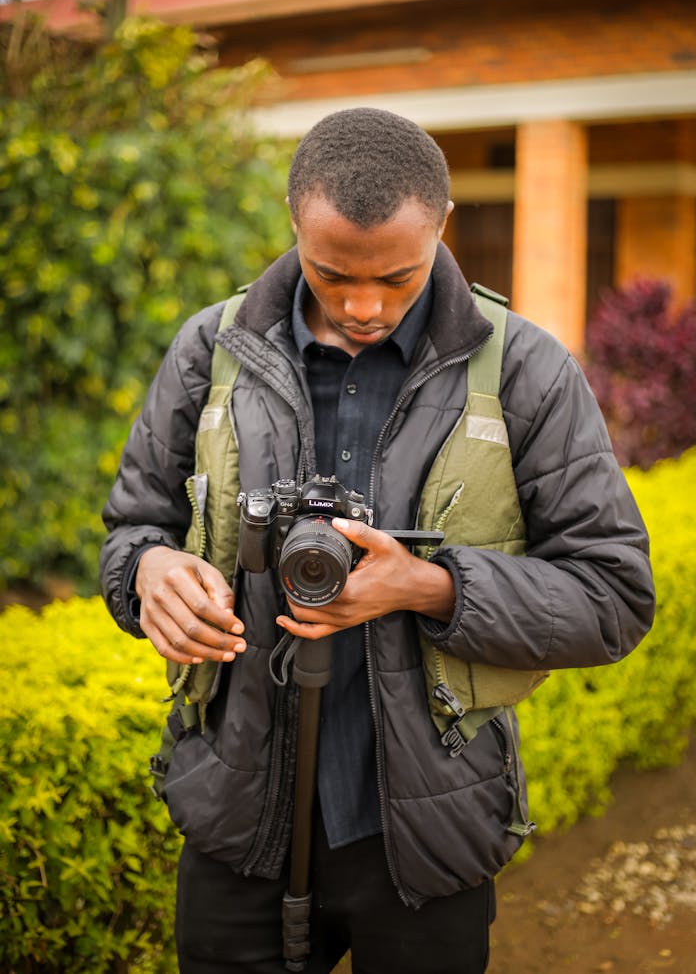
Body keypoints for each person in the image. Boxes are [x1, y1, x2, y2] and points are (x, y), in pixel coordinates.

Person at [100, 107, 655, 974]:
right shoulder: (212, 351)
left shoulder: (525, 369)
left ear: (443, 229)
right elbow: (131, 529)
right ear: (293, 222)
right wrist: (148, 573)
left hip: (426, 841)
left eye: (397, 277)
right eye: (331, 275)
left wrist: (428, 587)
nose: (363, 307)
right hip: (234, 824)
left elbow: (615, 596)